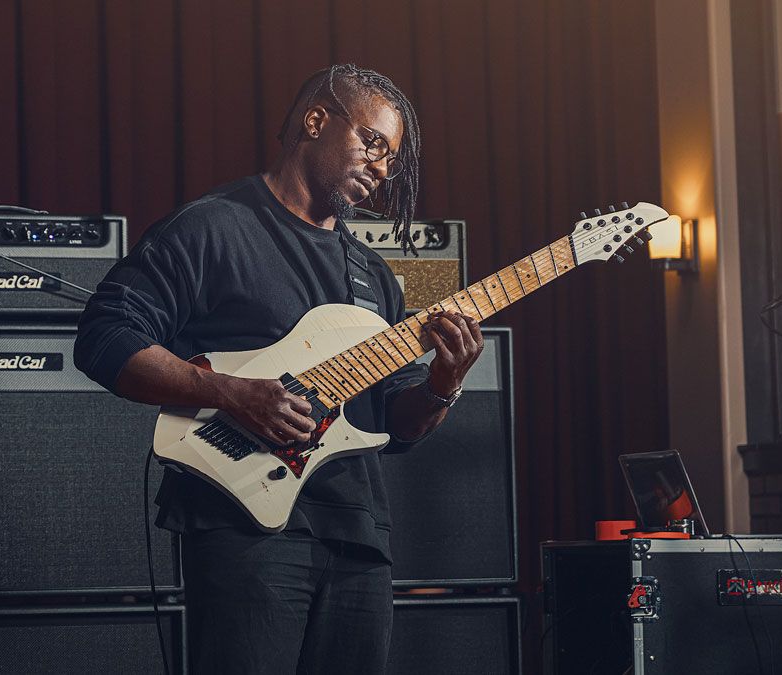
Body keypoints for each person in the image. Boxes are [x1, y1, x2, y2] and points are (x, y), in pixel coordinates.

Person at [74, 64, 484, 675]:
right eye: (373, 143)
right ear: (316, 121)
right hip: (243, 526)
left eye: (392, 159)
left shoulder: (372, 275)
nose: (382, 168)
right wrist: (234, 393)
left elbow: (393, 427)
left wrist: (442, 387)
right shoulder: (213, 227)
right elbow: (105, 336)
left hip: (358, 535)